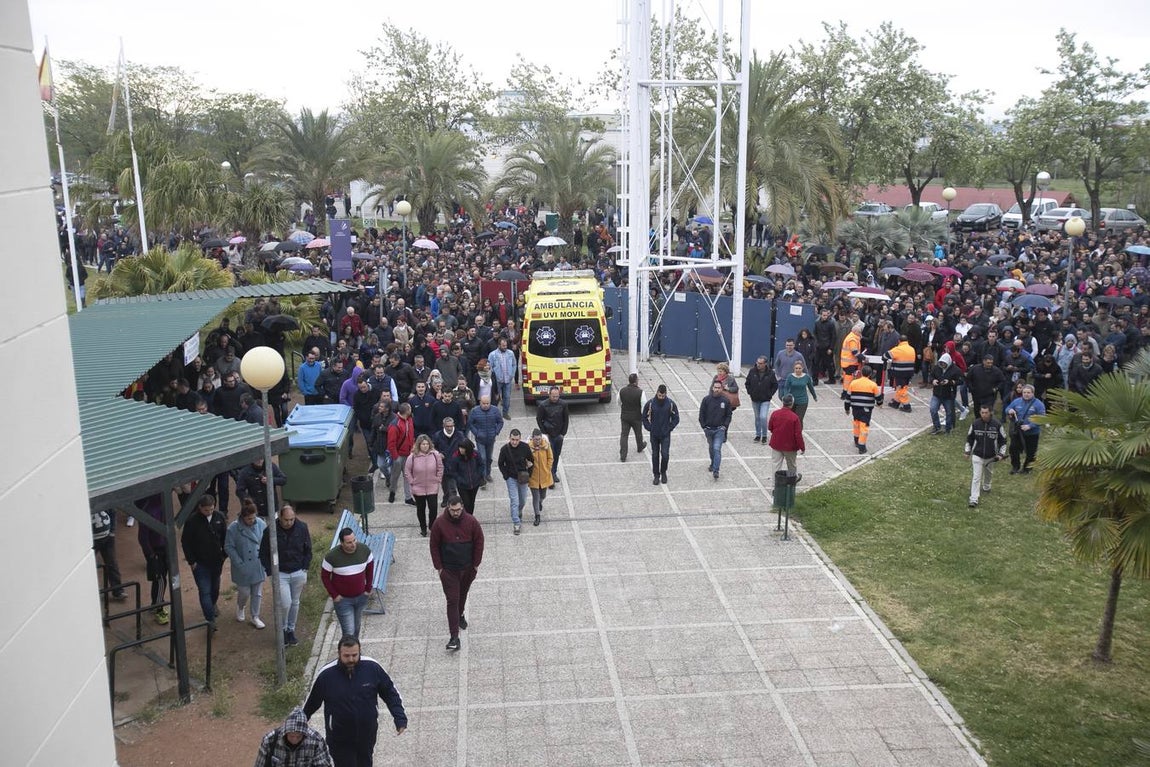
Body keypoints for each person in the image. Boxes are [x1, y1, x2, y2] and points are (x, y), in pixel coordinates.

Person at [303, 635, 407, 767]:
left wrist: (400, 718)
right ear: (339, 653)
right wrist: (298, 725)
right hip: (339, 736)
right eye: (346, 656)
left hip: (367, 733)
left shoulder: (372, 668)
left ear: (360, 651)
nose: (351, 659)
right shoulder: (326, 675)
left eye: (354, 655)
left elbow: (391, 693)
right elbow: (311, 703)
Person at [429, 496, 485, 652]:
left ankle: (460, 615)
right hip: (449, 571)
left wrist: (475, 565)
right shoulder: (439, 523)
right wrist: (439, 568)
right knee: (452, 599)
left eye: (458, 510)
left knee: (462, 595)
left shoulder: (471, 522)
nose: (455, 513)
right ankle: (454, 637)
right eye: (453, 510)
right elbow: (434, 545)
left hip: (467, 569)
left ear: (462, 507)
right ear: (448, 508)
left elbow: (479, 542)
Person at [261, 504, 313, 648]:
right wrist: (271, 572)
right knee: (285, 603)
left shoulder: (302, 527)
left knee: (295, 602)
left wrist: (305, 567)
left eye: (292, 519)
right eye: (286, 520)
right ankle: (282, 629)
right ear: (280, 517)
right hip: (281, 573)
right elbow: (263, 552)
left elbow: (308, 549)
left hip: (298, 571)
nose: (289, 522)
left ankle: (291, 630)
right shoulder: (270, 531)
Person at [181, 494, 227, 628]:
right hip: (200, 564)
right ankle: (210, 619)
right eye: (206, 510)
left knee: (215, 588)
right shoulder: (192, 521)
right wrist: (192, 561)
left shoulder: (219, 517)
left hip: (217, 562)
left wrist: (224, 555)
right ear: (200, 508)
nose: (209, 512)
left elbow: (225, 537)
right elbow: (185, 542)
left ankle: (212, 606)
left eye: (211, 509)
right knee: (204, 590)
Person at [321, 528, 374, 638]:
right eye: (349, 542)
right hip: (343, 601)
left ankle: (355, 653)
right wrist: (335, 595)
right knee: (349, 632)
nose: (353, 544)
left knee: (357, 628)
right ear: (342, 543)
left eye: (354, 540)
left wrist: (368, 589)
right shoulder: (332, 557)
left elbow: (370, 570)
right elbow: (325, 577)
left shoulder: (364, 550)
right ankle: (348, 653)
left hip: (361, 597)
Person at [225, 500, 268, 629]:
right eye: (249, 518)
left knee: (257, 593)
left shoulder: (261, 523)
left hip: (258, 564)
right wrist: (238, 562)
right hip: (242, 566)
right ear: (243, 517)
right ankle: (240, 606)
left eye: (254, 517)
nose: (252, 520)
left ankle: (255, 616)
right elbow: (228, 546)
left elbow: (266, 541)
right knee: (244, 592)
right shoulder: (233, 528)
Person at [253, 706, 332, 767]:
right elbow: (259, 765)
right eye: (291, 736)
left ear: (304, 734)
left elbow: (324, 764)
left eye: (298, 736)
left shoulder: (317, 741)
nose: (294, 739)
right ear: (285, 732)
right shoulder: (269, 740)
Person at [964, 405, 1008, 508]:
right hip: (977, 455)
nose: (984, 415)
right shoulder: (975, 424)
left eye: (986, 412)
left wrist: (1001, 454)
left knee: (989, 473)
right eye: (982, 412)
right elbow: (969, 438)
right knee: (976, 477)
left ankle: (987, 486)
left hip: (991, 456)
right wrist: (967, 451)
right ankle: (973, 499)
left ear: (990, 413)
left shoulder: (997, 424)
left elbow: (1003, 440)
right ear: (980, 413)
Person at [404, 434, 444, 536]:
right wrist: (412, 482)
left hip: (432, 487)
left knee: (433, 508)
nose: (425, 446)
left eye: (426, 444)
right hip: (418, 487)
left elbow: (440, 468)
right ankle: (423, 528)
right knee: (420, 509)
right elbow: (407, 471)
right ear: (419, 445)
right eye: (423, 444)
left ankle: (432, 525)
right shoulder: (412, 457)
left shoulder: (435, 455)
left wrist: (438, 479)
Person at [497, 428, 534, 535]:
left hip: (523, 478)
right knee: (514, 501)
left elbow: (532, 461)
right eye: (513, 439)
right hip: (511, 478)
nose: (514, 442)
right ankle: (516, 523)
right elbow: (500, 463)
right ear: (509, 438)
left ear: (520, 439)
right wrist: (506, 476)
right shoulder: (505, 449)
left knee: (522, 500)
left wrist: (529, 475)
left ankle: (519, 511)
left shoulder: (525, 447)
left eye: (516, 440)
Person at [642, 384, 680, 485]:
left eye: (663, 396)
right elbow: (644, 417)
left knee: (665, 454)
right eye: (659, 395)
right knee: (655, 455)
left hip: (665, 434)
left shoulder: (670, 404)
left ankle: (663, 472)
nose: (661, 398)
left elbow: (676, 418)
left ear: (666, 394)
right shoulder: (650, 404)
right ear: (657, 393)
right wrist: (649, 427)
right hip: (654, 434)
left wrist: (670, 427)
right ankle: (656, 475)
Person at [1005, 384, 1046, 474]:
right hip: (1018, 432)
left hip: (1032, 433)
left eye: (1028, 392)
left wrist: (1030, 426)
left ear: (1033, 393)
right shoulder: (1017, 401)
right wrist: (1009, 411)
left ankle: (1027, 469)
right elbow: (1007, 408)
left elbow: (1042, 418)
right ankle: (1015, 466)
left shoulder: (1039, 404)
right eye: (1024, 392)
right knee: (1013, 449)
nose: (1026, 394)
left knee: (1031, 452)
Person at [698, 379, 732, 479]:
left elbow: (728, 415)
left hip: (719, 430)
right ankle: (713, 463)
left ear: (722, 389)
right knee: (711, 448)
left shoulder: (725, 401)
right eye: (715, 387)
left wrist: (724, 426)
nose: (717, 389)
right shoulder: (706, 400)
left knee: (717, 448)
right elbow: (701, 414)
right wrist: (704, 426)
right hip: (708, 429)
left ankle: (716, 470)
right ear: (713, 388)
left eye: (719, 388)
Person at [535, 386, 570, 483]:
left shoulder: (563, 404)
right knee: (548, 455)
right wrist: (544, 433)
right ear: (549, 395)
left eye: (557, 396)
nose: (555, 398)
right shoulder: (543, 405)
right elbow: (539, 419)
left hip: (559, 435)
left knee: (556, 455)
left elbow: (566, 419)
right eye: (553, 396)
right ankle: (548, 473)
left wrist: (563, 433)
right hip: (548, 435)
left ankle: (553, 472)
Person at [91, 508, 127, 602]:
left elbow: (112, 512)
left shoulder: (102, 500)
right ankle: (90, 592)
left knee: (112, 563)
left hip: (107, 538)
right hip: (91, 542)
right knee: (88, 567)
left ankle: (118, 591)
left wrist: (112, 533)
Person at [767, 394, 804, 482]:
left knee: (775, 466)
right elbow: (798, 434)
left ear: (783, 402)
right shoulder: (794, 417)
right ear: (792, 404)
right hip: (790, 447)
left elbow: (770, 427)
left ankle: (775, 486)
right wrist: (802, 447)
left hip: (776, 444)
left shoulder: (775, 414)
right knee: (791, 466)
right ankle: (791, 483)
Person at [468, 395, 504, 485]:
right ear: (480, 402)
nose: (485, 405)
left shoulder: (495, 410)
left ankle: (488, 474)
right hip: (480, 439)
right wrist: (476, 433)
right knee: (482, 458)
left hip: (491, 439)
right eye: (483, 403)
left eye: (487, 403)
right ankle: (482, 477)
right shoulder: (475, 411)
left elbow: (500, 422)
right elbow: (470, 423)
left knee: (489, 458)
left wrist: (496, 431)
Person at [847, 365, 883, 454]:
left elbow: (848, 397)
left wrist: (847, 408)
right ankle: (861, 446)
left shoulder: (853, 383)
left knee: (856, 423)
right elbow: (878, 398)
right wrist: (879, 404)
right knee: (864, 427)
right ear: (870, 374)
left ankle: (856, 440)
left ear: (861, 373)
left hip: (855, 408)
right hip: (866, 409)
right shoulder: (873, 385)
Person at [386, 403, 415, 505]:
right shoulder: (395, 424)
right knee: (395, 476)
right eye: (410, 408)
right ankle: (392, 492)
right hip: (399, 455)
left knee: (407, 476)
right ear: (407, 411)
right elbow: (391, 443)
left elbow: (411, 435)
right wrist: (396, 457)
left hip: (408, 454)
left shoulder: (409, 420)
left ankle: (408, 497)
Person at [745, 356, 778, 444]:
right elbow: (747, 383)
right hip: (755, 399)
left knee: (763, 417)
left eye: (760, 363)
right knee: (757, 417)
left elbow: (775, 385)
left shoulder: (770, 373)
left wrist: (769, 394)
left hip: (765, 399)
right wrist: (750, 392)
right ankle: (758, 434)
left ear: (765, 364)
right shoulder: (752, 371)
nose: (758, 365)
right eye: (757, 362)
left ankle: (764, 435)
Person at [928, 352, 962, 435]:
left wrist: (950, 382)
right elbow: (931, 376)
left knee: (949, 412)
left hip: (948, 395)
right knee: (933, 410)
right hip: (937, 394)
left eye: (944, 364)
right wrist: (933, 380)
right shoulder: (936, 368)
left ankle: (948, 429)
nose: (942, 365)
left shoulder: (956, 370)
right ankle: (937, 427)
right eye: (941, 363)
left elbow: (960, 381)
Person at [446, 439, 484, 515]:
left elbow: (481, 465)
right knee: (466, 503)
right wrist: (459, 479)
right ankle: (467, 517)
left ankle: (470, 517)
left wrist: (478, 475)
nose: (461, 450)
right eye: (460, 447)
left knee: (471, 502)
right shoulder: (456, 457)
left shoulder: (475, 454)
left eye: (463, 448)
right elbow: (453, 471)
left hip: (474, 484)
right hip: (462, 486)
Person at [527, 429, 554, 526]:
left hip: (544, 476)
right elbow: (525, 458)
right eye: (536, 439)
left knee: (543, 496)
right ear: (532, 438)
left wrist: (548, 468)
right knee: (535, 497)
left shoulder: (546, 446)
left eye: (539, 439)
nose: (537, 441)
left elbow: (550, 457)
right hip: (533, 477)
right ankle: (537, 516)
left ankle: (540, 502)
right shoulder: (528, 447)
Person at [884, 335, 917, 412]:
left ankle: (907, 406)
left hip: (900, 372)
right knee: (902, 387)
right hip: (909, 372)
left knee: (901, 388)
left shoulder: (898, 349)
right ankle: (896, 402)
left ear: (899, 341)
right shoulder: (912, 349)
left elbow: (885, 356)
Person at [618, 373, 647, 461]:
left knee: (624, 435)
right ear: (636, 381)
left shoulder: (621, 390)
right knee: (638, 433)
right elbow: (644, 405)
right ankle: (640, 446)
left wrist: (624, 408)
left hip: (625, 416)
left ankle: (623, 455)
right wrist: (643, 415)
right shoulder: (640, 392)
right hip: (636, 417)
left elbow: (618, 402)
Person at [779, 360, 817, 425]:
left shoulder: (806, 377)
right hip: (792, 401)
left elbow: (811, 387)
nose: (798, 370)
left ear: (802, 368)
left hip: (803, 401)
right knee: (791, 418)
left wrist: (814, 396)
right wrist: (786, 396)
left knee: (799, 419)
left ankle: (798, 433)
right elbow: (786, 387)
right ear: (794, 368)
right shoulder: (790, 376)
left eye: (799, 368)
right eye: (796, 368)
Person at [486, 338, 516, 418]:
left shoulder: (510, 353)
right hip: (497, 381)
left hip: (508, 380)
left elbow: (514, 364)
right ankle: (494, 413)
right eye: (503, 346)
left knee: (507, 397)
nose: (505, 347)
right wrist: (493, 378)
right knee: (496, 398)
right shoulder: (492, 355)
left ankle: (505, 413)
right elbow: (489, 367)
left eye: (506, 345)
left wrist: (512, 374)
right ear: (499, 345)